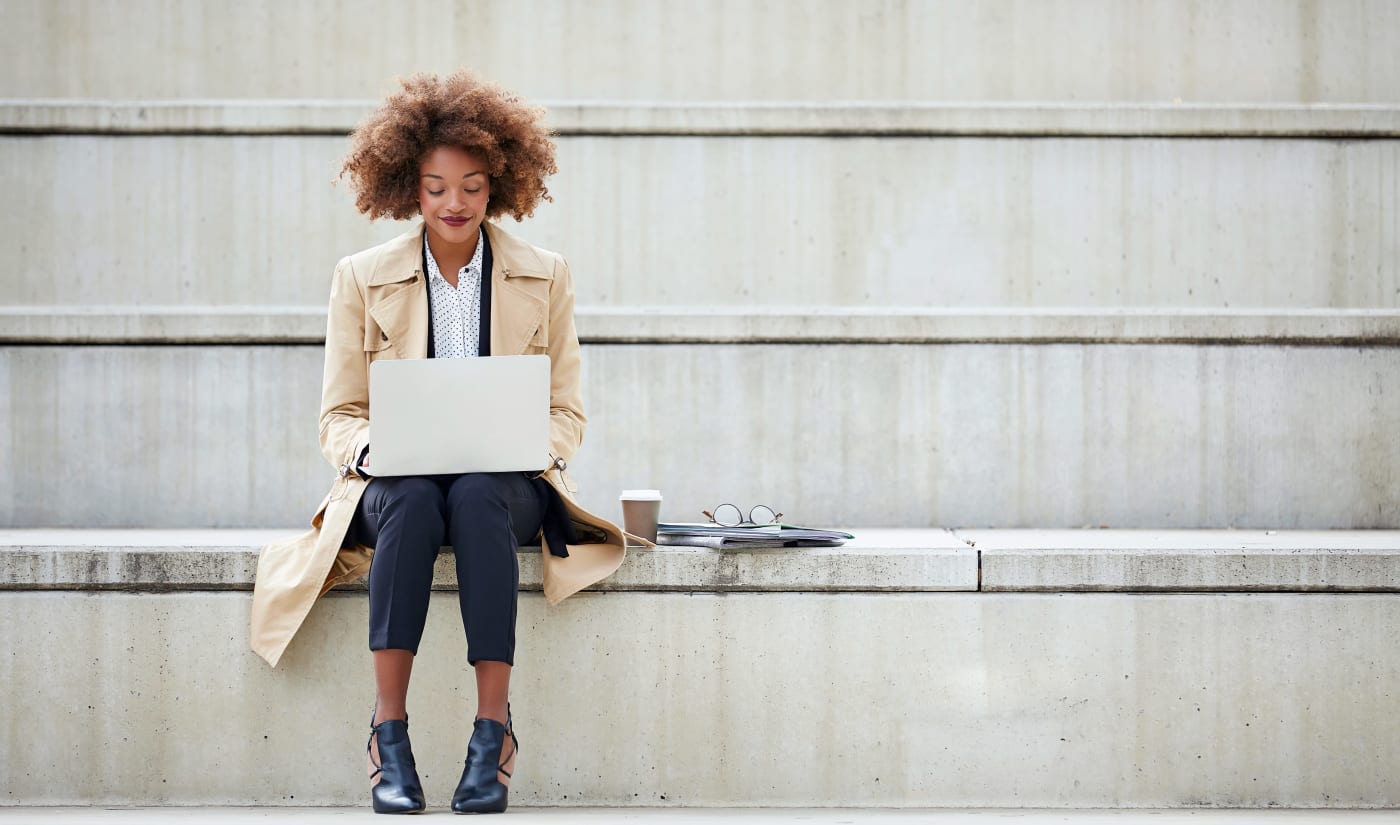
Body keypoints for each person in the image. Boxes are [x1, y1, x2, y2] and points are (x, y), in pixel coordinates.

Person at [249, 71, 631, 815]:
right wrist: (375, 450)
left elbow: (567, 412)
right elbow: (339, 415)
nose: (454, 203)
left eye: (472, 185)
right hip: (396, 484)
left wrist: (528, 442)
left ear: (500, 185)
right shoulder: (361, 278)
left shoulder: (544, 275)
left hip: (506, 482)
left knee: (480, 494)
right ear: (407, 189)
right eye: (434, 187)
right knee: (419, 498)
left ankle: (493, 733)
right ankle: (387, 732)